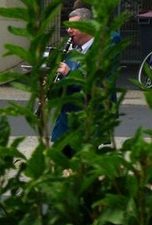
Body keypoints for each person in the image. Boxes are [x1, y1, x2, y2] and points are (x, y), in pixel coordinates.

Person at [52, 7, 120, 156]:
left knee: (83, 174)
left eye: (74, 27)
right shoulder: (71, 53)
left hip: (87, 128)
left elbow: (99, 87)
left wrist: (69, 74)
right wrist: (50, 86)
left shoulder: (103, 51)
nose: (69, 30)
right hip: (64, 128)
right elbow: (62, 93)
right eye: (68, 27)